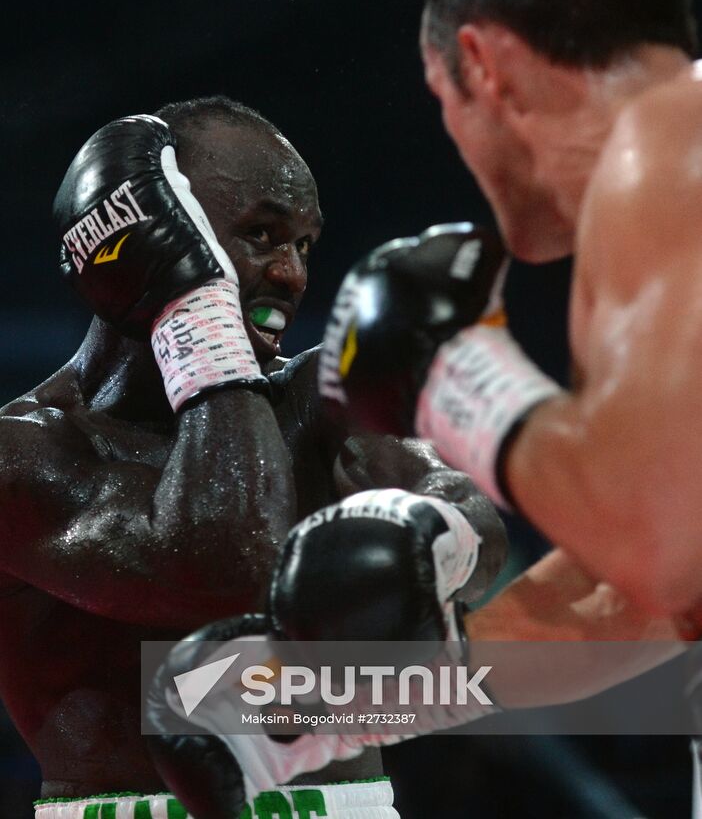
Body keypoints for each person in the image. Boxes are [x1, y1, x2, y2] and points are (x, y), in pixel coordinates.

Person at [0, 95, 507, 819]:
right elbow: (226, 557)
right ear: (150, 238)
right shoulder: (23, 454)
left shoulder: (321, 396)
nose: (293, 275)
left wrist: (432, 543)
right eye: (262, 234)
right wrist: (195, 310)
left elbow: (474, 521)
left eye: (303, 245)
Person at [325, 0, 702, 620]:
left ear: (485, 66)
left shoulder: (664, 141)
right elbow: (636, 587)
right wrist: (360, 699)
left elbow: (655, 548)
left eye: (443, 96)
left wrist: (459, 378)